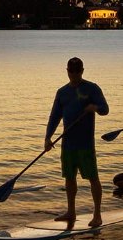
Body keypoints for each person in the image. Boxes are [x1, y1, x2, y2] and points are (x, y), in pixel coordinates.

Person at [45, 57, 109, 227]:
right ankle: (71, 211)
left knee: (92, 177)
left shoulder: (92, 88)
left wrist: (94, 107)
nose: (74, 75)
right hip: (68, 143)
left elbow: (105, 109)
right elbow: (54, 116)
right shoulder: (62, 92)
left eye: (77, 71)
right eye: (71, 71)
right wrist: (48, 137)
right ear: (67, 71)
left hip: (85, 144)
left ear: (82, 71)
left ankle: (97, 214)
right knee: (69, 178)